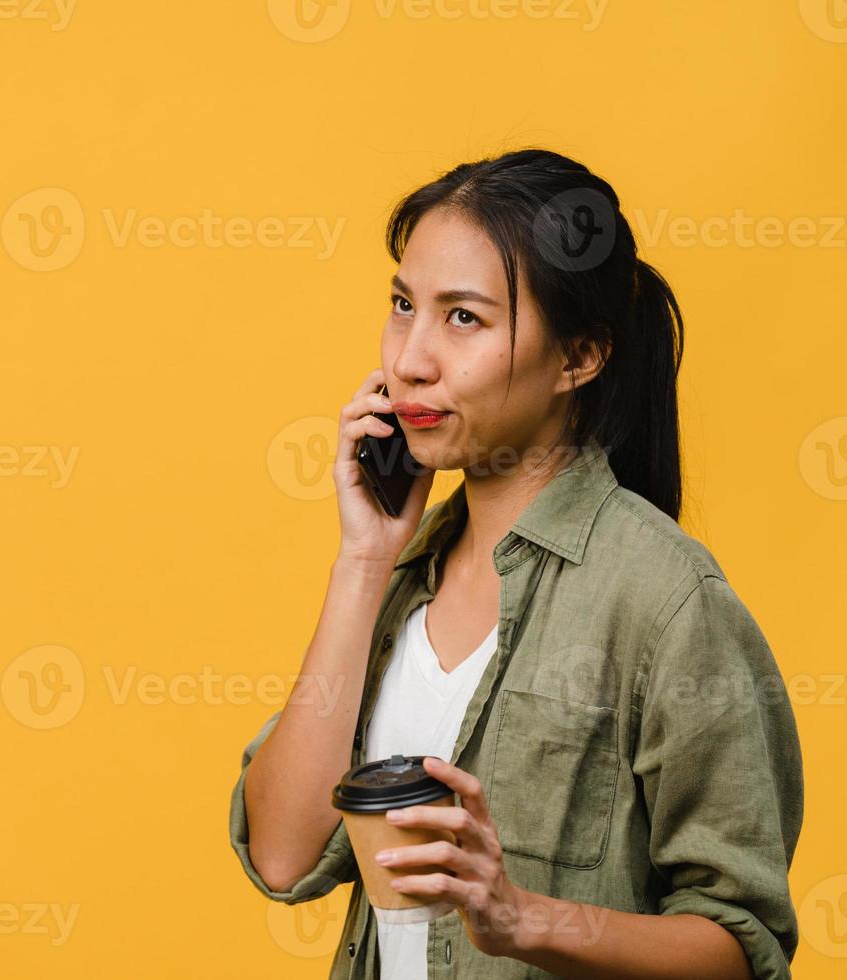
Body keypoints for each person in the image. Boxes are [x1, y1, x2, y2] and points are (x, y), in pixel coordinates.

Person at [227, 148, 804, 979]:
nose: (411, 358)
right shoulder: (400, 580)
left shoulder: (667, 600)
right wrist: (363, 561)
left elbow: (741, 949)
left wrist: (527, 918)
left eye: (464, 317)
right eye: (402, 305)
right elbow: (282, 855)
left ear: (580, 358)